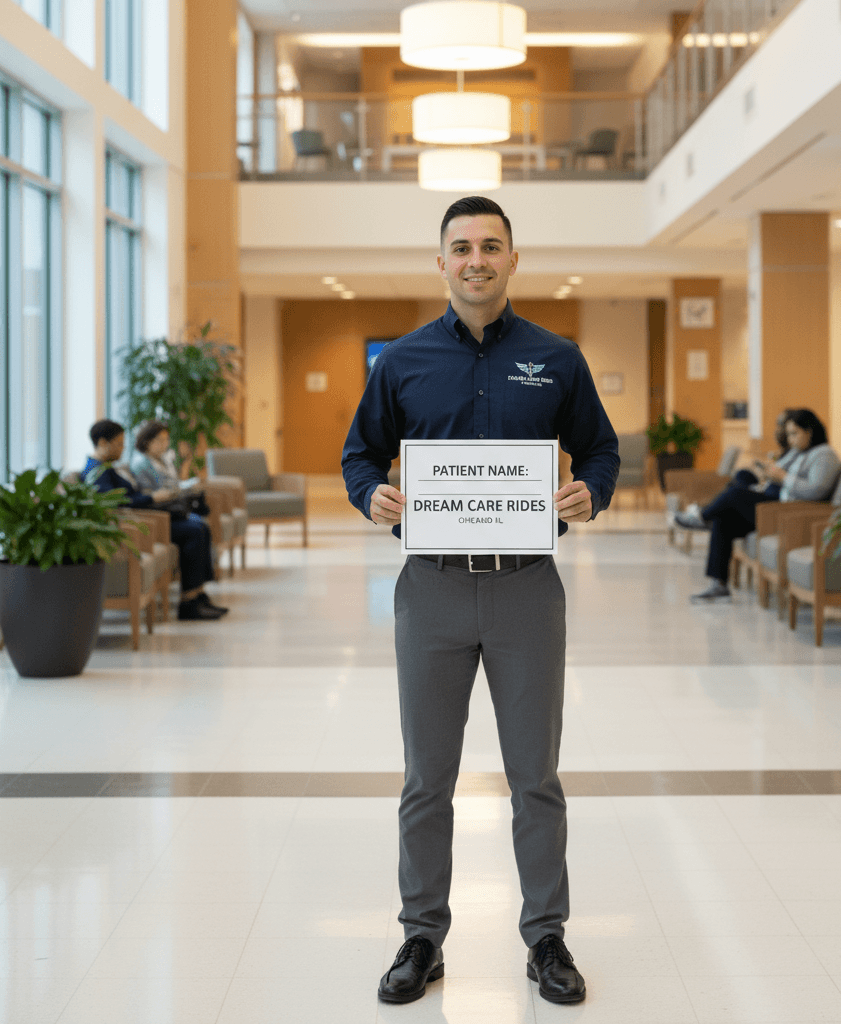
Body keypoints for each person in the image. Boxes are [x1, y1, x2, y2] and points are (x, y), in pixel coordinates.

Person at [342, 196, 619, 1006]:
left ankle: (547, 940)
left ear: (512, 259)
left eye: (490, 246)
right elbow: (361, 453)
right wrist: (373, 498)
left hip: (528, 588)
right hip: (429, 588)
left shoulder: (557, 357)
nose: (475, 260)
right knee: (428, 776)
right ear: (441, 262)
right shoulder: (400, 361)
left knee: (535, 776)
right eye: (460, 247)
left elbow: (601, 447)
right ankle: (420, 936)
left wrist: (590, 493)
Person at [675, 408, 841, 603]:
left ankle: (703, 516)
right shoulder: (798, 451)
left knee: (735, 494)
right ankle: (718, 585)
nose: (790, 440)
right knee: (726, 514)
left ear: (809, 431)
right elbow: (777, 471)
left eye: (794, 434)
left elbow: (816, 490)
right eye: (789, 434)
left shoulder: (824, 455)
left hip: (786, 511)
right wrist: (769, 472)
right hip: (774, 501)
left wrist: (783, 477)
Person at [82, 419, 228, 621]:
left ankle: (197, 595)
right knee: (194, 531)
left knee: (199, 526)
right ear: (102, 443)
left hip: (143, 516)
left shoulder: (105, 467)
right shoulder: (96, 472)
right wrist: (152, 498)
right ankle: (189, 603)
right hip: (138, 524)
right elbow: (117, 504)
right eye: (119, 444)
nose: (123, 449)